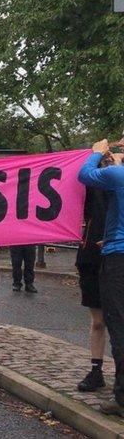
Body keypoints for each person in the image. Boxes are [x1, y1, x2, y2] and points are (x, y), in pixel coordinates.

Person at [78, 138, 124, 414]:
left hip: (118, 258)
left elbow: (83, 174)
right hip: (111, 245)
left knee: (118, 325)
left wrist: (95, 154)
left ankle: (121, 398)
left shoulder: (117, 175)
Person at [78, 179, 110, 392]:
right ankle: (96, 369)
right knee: (98, 321)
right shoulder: (91, 181)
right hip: (91, 257)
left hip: (116, 255)